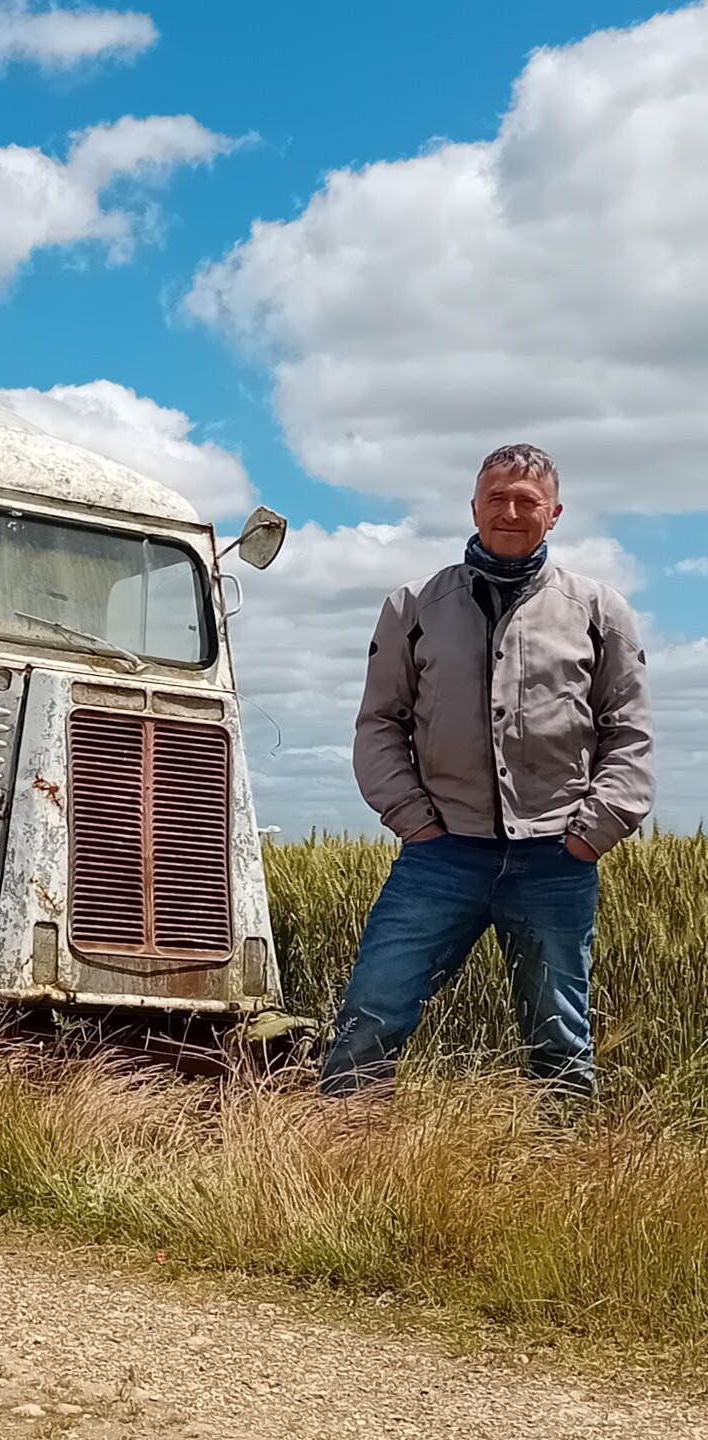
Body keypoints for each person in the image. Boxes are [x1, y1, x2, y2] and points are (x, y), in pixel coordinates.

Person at [322, 444, 653, 1099]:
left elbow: (630, 734)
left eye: (526, 501)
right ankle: (340, 1155)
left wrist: (592, 832)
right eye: (496, 497)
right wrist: (416, 824)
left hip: (556, 858)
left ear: (553, 513)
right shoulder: (414, 606)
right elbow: (380, 725)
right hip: (442, 855)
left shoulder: (599, 611)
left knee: (558, 1035)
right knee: (372, 1012)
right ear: (473, 507)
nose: (509, 511)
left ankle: (561, 1174)